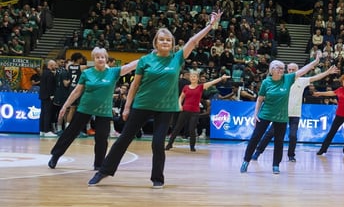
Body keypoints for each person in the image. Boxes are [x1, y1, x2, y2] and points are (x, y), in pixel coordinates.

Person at [88, 11, 222, 188]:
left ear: (172, 44)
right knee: (123, 139)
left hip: (165, 108)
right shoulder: (145, 60)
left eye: (168, 40)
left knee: (158, 143)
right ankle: (104, 171)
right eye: (161, 39)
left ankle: (157, 178)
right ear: (156, 43)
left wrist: (211, 25)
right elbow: (134, 85)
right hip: (142, 104)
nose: (165, 42)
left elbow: (192, 41)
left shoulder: (177, 58)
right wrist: (127, 107)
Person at [48, 48, 138, 169]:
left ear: (106, 59)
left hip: (104, 111)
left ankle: (98, 165)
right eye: (97, 57)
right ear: (93, 59)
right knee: (70, 133)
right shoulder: (87, 73)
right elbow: (77, 91)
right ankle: (55, 155)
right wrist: (65, 106)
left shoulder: (113, 72)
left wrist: (149, 57)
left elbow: (131, 66)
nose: (100, 59)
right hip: (85, 108)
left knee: (102, 138)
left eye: (102, 57)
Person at [240, 56, 324, 173]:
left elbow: (303, 70)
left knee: (279, 141)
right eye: (279, 68)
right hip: (265, 114)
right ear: (272, 69)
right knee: (255, 138)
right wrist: (255, 114)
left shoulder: (287, 79)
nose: (281, 70)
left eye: (282, 68)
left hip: (282, 116)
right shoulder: (266, 82)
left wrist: (315, 62)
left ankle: (276, 165)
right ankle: (246, 161)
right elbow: (259, 99)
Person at [252, 62, 337, 161]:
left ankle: (291, 155)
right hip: (281, 113)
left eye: (293, 70)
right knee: (270, 134)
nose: (291, 71)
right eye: (289, 70)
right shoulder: (282, 80)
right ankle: (257, 152)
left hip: (295, 114)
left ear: (298, 70)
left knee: (293, 135)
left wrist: (327, 72)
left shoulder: (302, 81)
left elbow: (316, 77)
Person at [165, 71, 229, 152]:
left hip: (195, 112)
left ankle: (192, 147)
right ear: (190, 78)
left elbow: (212, 82)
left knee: (192, 129)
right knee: (177, 128)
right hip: (185, 110)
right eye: (191, 76)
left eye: (194, 76)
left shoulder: (201, 87)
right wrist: (180, 105)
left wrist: (221, 78)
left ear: (197, 78)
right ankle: (169, 144)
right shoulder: (186, 87)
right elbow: (181, 97)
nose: (193, 78)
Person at [38, 60, 58, 137]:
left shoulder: (43, 72)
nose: (55, 66)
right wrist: (51, 95)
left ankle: (42, 130)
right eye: (54, 65)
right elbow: (50, 85)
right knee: (47, 113)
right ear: (50, 65)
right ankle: (47, 130)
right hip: (48, 96)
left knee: (43, 113)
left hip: (42, 95)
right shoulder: (49, 74)